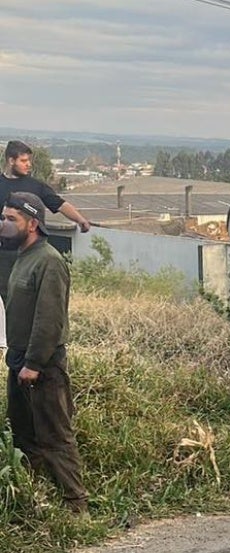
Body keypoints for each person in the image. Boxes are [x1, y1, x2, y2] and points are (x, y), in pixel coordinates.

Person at [2, 192, 87, 513]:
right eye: (3, 217)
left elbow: (49, 319)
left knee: (55, 437)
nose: (4, 224)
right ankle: (36, 502)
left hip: (43, 367)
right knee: (24, 436)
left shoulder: (49, 260)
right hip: (19, 361)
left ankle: (76, 507)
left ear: (33, 224)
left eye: (12, 219)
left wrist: (34, 363)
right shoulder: (23, 257)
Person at [0, 140, 91, 302]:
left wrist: (80, 219)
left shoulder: (36, 186)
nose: (28, 165)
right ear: (11, 161)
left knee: (29, 299)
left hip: (30, 253)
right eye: (23, 161)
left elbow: (59, 204)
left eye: (29, 160)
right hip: (3, 254)